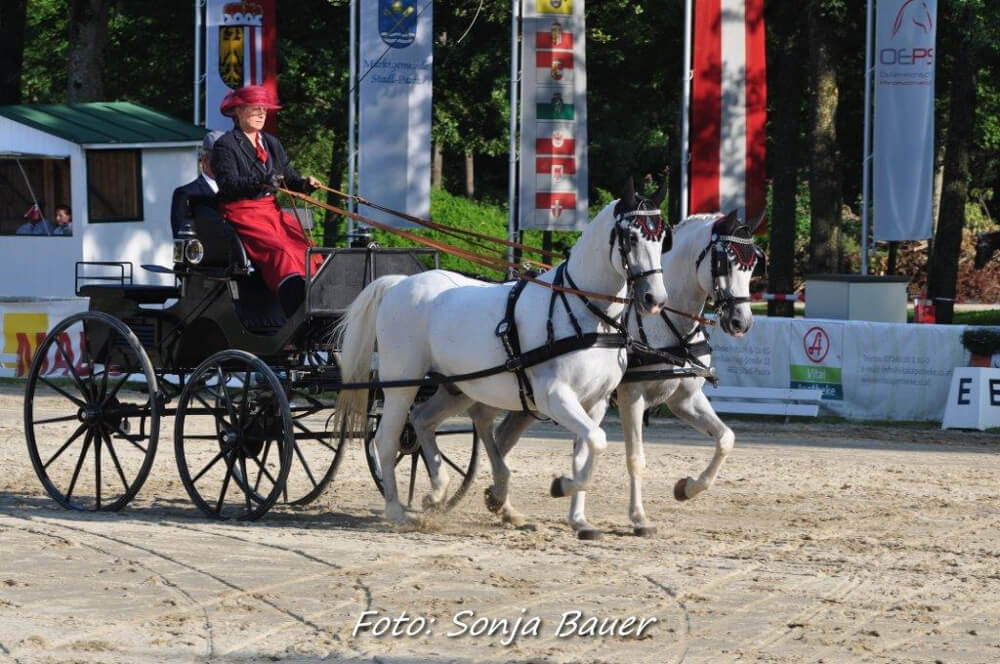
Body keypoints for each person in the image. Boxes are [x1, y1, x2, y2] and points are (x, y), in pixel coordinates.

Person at [210, 85, 323, 317]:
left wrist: (304, 184)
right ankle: (294, 311)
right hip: (242, 212)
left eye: (264, 109)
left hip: (270, 211)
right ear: (238, 112)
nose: (262, 114)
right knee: (281, 250)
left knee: (306, 248)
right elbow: (228, 184)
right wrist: (262, 180)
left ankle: (317, 302)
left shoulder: (271, 143)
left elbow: (289, 179)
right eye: (255, 109)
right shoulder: (225, 145)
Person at [171, 131, 225, 236]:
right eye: (221, 158)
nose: (226, 164)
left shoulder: (236, 192)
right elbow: (185, 239)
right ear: (205, 159)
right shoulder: (186, 194)